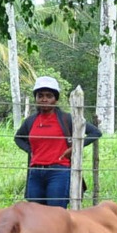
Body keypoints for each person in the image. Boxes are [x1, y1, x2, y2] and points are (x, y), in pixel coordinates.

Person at [15, 76, 103, 205]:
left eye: (49, 96)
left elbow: (95, 132)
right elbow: (18, 138)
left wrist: (75, 148)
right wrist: (31, 150)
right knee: (33, 214)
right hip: (35, 172)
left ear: (55, 99)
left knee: (56, 214)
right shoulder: (30, 121)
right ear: (36, 98)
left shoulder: (67, 119)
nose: (44, 99)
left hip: (59, 172)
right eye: (40, 96)